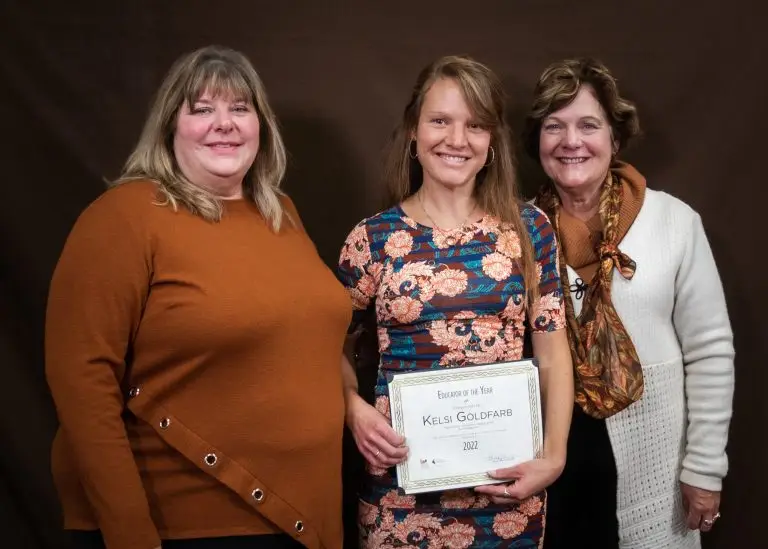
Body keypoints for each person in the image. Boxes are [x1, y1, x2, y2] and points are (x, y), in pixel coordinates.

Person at [44, 45, 352, 549]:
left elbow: (309, 344)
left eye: (239, 108)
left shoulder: (280, 213)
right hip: (184, 524)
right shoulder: (124, 216)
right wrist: (128, 531)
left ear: (261, 125)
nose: (224, 124)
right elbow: (81, 381)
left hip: (302, 516)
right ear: (170, 127)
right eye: (202, 109)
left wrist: (352, 406)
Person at [337, 55, 574, 548]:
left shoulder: (530, 231)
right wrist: (352, 409)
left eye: (475, 125)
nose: (456, 139)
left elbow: (552, 353)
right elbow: (325, 347)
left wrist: (553, 458)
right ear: (413, 133)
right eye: (440, 120)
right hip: (400, 495)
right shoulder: (372, 240)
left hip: (509, 493)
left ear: (492, 142)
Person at [522, 57, 736, 548]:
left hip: (651, 467)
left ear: (614, 140)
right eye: (554, 126)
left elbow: (710, 350)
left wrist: (705, 467)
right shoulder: (516, 230)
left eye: (588, 125)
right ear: (538, 141)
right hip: (547, 470)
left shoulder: (674, 222)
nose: (570, 141)